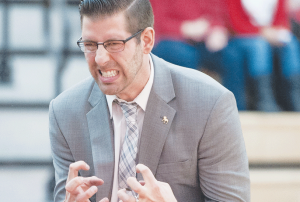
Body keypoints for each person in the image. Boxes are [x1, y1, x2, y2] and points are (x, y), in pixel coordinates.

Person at [49, 0, 250, 201]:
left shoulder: (209, 104)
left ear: (146, 41)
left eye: (114, 44)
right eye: (90, 45)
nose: (100, 58)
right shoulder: (65, 112)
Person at [224, 0, 300, 111]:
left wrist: (277, 32)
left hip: (271, 34)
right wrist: (262, 32)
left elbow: (282, 20)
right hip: (244, 37)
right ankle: (264, 99)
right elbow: (235, 24)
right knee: (259, 46)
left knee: (291, 44)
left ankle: (296, 97)